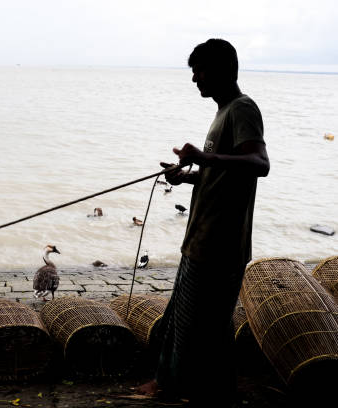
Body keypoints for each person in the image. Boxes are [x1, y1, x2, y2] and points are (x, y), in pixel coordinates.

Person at [136, 39, 270, 407]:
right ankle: (196, 385)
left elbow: (260, 164)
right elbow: (224, 175)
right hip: (201, 236)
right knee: (192, 318)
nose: (195, 78)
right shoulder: (223, 111)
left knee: (201, 324)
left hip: (221, 242)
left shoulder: (243, 109)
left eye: (200, 70)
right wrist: (187, 176)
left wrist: (202, 158)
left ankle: (187, 389)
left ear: (223, 71)